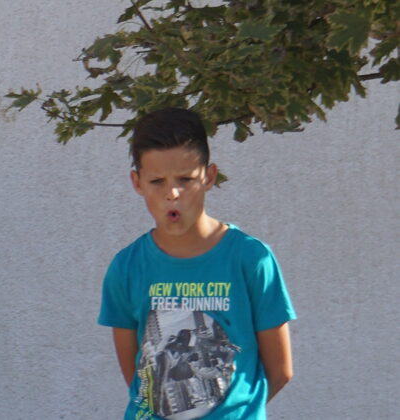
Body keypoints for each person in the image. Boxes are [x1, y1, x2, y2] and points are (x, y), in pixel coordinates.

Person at [98, 108, 297, 420]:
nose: (172, 194)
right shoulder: (126, 267)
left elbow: (281, 370)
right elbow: (138, 375)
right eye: (157, 181)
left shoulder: (251, 259)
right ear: (137, 182)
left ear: (209, 176)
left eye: (185, 179)